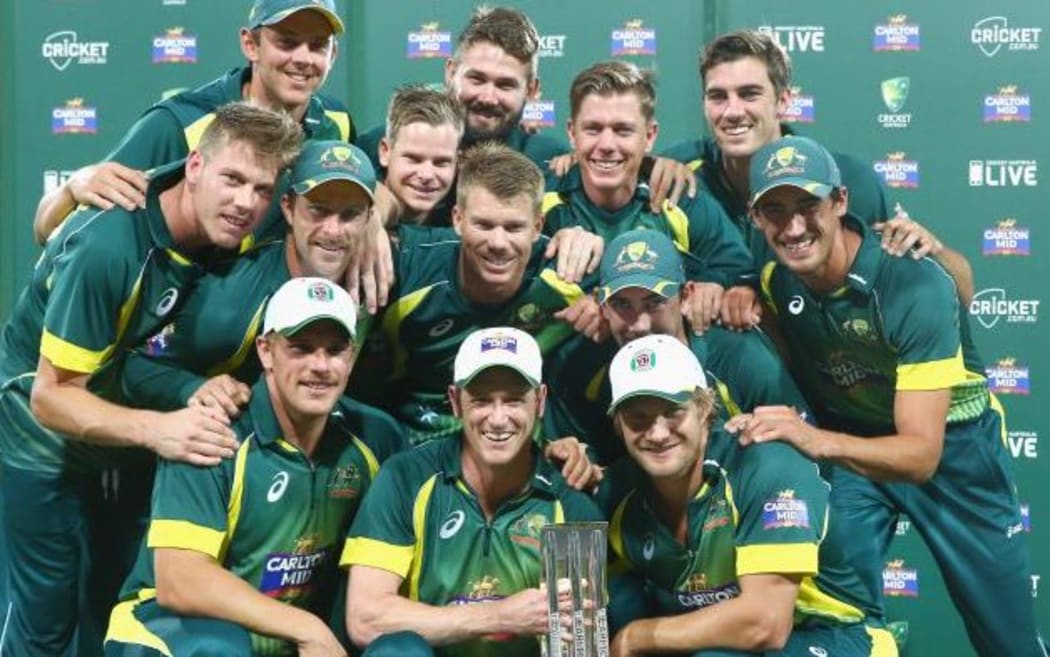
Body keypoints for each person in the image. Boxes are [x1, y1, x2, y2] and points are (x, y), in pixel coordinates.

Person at [0, 102, 302, 657]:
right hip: (39, 442)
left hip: (118, 434)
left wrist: (189, 389)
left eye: (262, 189)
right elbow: (51, 397)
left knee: (108, 612)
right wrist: (161, 430)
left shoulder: (219, 226)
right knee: (43, 625)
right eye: (233, 180)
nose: (245, 203)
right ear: (194, 167)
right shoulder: (109, 246)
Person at [737, 135, 1045, 657]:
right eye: (775, 211)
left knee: (1008, 641)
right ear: (755, 217)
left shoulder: (912, 282)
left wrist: (813, 440)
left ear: (839, 202)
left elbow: (921, 456)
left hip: (954, 449)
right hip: (855, 454)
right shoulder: (772, 276)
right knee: (839, 619)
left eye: (808, 205)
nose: (792, 227)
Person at [104, 277, 405, 657]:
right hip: (166, 628)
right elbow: (180, 580)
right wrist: (307, 628)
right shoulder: (210, 432)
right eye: (300, 348)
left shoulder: (375, 438)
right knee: (218, 647)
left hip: (286, 639)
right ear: (266, 351)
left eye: (335, 350)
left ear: (352, 356)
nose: (320, 366)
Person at [661, 29, 973, 326]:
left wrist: (932, 250)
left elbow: (958, 294)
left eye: (749, 94)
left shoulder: (845, 181)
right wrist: (649, 167)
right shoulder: (678, 173)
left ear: (783, 101)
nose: (732, 111)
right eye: (717, 97)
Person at [601, 334, 885, 657]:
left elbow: (765, 623)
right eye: (638, 419)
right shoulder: (617, 495)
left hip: (839, 634)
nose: (657, 433)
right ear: (618, 424)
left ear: (704, 408)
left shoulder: (765, 466)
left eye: (673, 412)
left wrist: (636, 637)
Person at [342, 327, 604, 657]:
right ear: (455, 401)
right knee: (397, 650)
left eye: (513, 400)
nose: (498, 419)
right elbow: (365, 619)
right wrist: (499, 617)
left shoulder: (570, 503)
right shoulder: (407, 477)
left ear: (539, 401)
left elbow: (581, 646)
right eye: (481, 400)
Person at [33, 0, 352, 247]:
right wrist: (73, 189)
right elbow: (45, 229)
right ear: (250, 45)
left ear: (333, 54)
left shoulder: (336, 123)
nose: (303, 58)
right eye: (287, 42)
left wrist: (372, 224)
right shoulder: (181, 123)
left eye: (317, 45)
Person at [118, 139, 377, 414]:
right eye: (318, 210)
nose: (333, 231)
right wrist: (192, 388)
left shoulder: (386, 271)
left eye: (350, 215)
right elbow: (139, 363)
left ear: (369, 218)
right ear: (288, 208)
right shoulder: (229, 300)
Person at [372, 142, 601, 447]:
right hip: (414, 447)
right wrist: (368, 221)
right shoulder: (406, 268)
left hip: (518, 450)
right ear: (457, 219)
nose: (498, 243)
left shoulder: (568, 272)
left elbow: (651, 291)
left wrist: (607, 302)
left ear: (537, 227)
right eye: (483, 225)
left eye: (514, 227)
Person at [543, 229, 810, 464]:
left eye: (654, 303)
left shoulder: (739, 358)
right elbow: (596, 467)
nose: (640, 325)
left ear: (685, 296)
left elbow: (811, 456)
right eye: (622, 304)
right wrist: (574, 460)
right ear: (602, 307)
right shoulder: (584, 371)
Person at [543, 61, 754, 332]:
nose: (606, 145)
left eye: (623, 130)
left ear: (650, 136)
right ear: (572, 133)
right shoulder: (542, 200)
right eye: (593, 129)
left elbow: (740, 267)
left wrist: (714, 283)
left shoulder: (676, 196)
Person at [375, 86, 464, 228]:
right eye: (414, 159)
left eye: (441, 162)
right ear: (385, 152)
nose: (427, 175)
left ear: (457, 162)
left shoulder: (468, 215)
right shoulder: (355, 212)